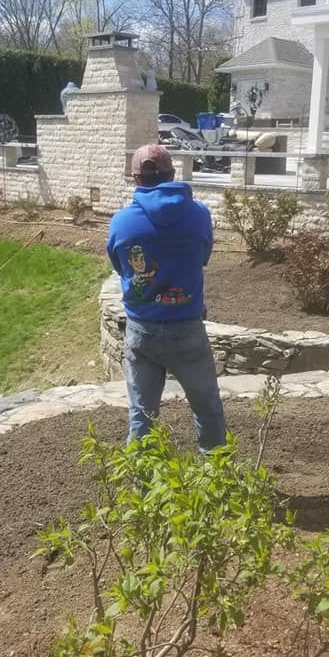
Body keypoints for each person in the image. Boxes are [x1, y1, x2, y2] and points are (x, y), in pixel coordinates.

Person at [106, 143, 227, 451]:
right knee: (208, 411)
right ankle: (214, 480)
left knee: (142, 416)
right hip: (187, 329)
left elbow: (121, 268)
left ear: (136, 179)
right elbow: (202, 257)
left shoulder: (121, 222)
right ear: (172, 173)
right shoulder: (198, 215)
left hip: (141, 332)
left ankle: (144, 492)